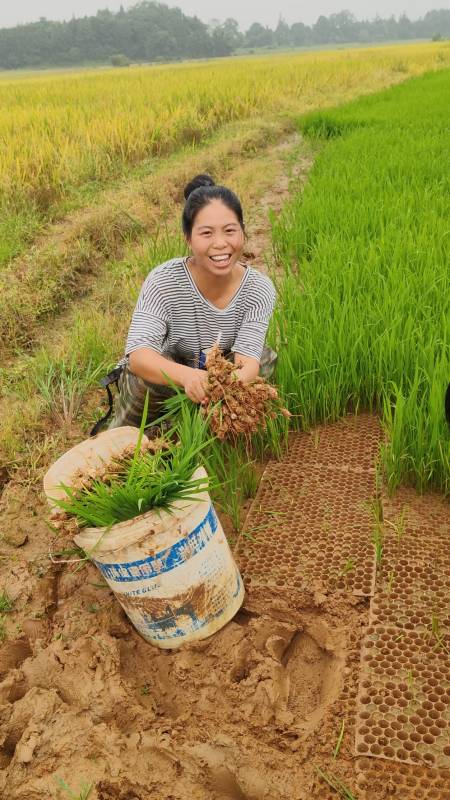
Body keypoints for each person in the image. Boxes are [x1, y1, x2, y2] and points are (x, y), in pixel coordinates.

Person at [108, 174, 277, 429]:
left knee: (265, 359)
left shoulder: (258, 289)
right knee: (144, 378)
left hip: (219, 368)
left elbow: (248, 361)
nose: (220, 244)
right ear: (188, 238)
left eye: (230, 231)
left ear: (243, 231)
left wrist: (224, 384)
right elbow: (139, 356)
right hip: (174, 366)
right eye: (206, 233)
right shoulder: (164, 281)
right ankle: (125, 438)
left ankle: (209, 436)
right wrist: (190, 377)